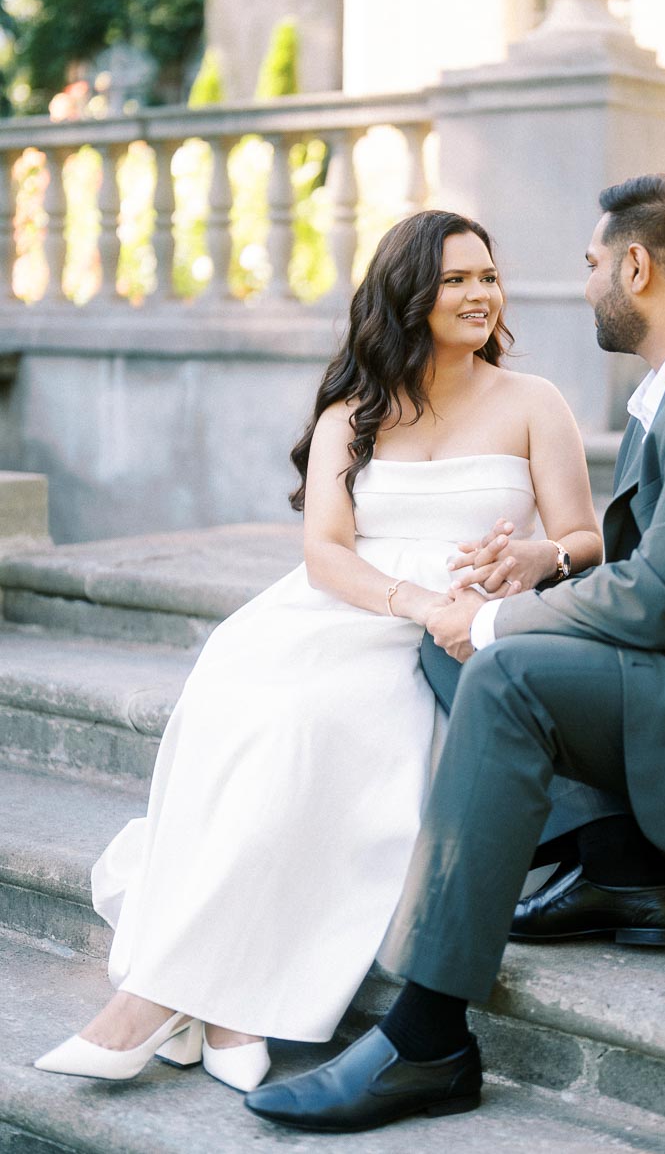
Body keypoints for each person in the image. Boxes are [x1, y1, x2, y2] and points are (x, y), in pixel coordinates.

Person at [245, 173, 665, 1134]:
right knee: (460, 642)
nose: (582, 277)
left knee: (499, 657)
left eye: (593, 262)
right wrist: (541, 562)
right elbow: (659, 562)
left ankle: (427, 1038)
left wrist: (497, 621)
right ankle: (619, 865)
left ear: (635, 266)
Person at [33, 209, 605, 1092]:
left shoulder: (535, 403)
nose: (478, 294)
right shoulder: (355, 410)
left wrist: (538, 557)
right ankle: (219, 1012)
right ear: (409, 294)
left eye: (487, 276)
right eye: (454, 279)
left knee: (315, 729)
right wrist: (410, 598)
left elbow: (584, 538)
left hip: (453, 634)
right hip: (341, 608)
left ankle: (153, 1010)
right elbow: (326, 551)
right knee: (240, 708)